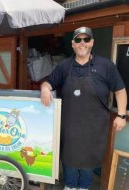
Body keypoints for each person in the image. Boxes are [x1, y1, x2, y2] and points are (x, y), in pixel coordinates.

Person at [40, 26, 127, 190]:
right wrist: (45, 89)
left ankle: (84, 187)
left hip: (94, 129)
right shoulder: (64, 66)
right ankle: (70, 186)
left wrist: (121, 115)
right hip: (69, 128)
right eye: (78, 40)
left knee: (88, 164)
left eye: (86, 39)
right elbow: (48, 82)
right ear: (73, 44)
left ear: (92, 42)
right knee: (70, 165)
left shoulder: (105, 65)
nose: (82, 43)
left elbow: (120, 90)